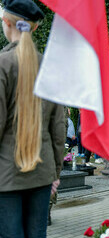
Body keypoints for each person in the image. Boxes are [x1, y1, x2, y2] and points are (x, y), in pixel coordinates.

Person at [0, 1, 65, 237]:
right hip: (42, 173)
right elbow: (58, 130)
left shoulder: (2, 64)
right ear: (35, 28)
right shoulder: (50, 68)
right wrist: (55, 174)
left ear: (6, 23)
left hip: (6, 176)